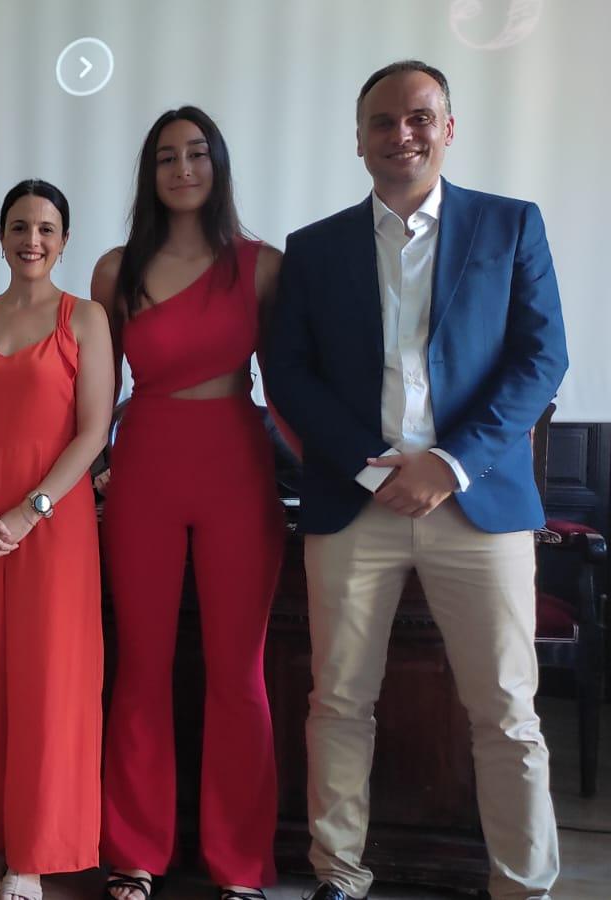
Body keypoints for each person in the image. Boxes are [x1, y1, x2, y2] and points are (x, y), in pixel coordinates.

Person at [264, 60, 568, 900]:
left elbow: (541, 359)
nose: (401, 134)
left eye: (420, 117)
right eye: (382, 121)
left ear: (448, 128)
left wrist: (450, 463)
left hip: (480, 503)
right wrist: (374, 470)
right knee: (338, 702)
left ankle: (524, 884)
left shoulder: (510, 225)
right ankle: (338, 873)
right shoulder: (314, 248)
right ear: (358, 139)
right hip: (354, 503)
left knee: (506, 710)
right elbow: (289, 373)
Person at [89, 108, 285, 900]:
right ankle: (134, 853)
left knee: (240, 673)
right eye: (167, 157)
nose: (183, 169)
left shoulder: (262, 266)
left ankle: (241, 867)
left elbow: (294, 385)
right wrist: (79, 472)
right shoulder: (115, 270)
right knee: (141, 666)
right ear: (150, 173)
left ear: (218, 164)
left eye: (197, 153)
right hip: (145, 469)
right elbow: (94, 394)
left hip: (238, 465)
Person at [0, 180, 115, 900]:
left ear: (64, 240)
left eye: (45, 228)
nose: (31, 240)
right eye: (18, 226)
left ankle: (33, 852)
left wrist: (32, 510)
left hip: (53, 521)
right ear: (1, 236)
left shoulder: (86, 318)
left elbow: (94, 431)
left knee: (48, 681)